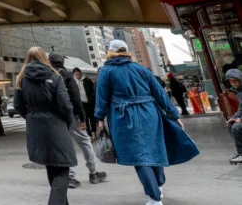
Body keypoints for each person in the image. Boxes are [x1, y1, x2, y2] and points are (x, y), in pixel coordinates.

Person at [95, 40, 195, 205]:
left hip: (124, 116)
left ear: (110, 52)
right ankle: (159, 187)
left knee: (139, 156)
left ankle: (154, 198)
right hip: (150, 113)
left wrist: (99, 118)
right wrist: (173, 114)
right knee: (154, 150)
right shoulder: (141, 69)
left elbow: (102, 97)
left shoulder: (106, 71)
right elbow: (160, 93)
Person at [14, 47, 76, 205]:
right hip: (56, 123)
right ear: (44, 57)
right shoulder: (55, 76)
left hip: (35, 126)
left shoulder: (21, 78)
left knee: (51, 165)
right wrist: (68, 121)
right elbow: (65, 105)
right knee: (62, 168)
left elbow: (18, 105)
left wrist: (31, 116)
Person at [50, 54, 107, 187]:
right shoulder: (67, 76)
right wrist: (82, 117)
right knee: (85, 142)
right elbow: (76, 97)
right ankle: (93, 173)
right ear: (62, 62)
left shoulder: (48, 76)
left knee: (64, 145)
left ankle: (69, 176)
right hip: (72, 115)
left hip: (56, 118)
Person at [73, 67, 97, 136]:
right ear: (73, 74)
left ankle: (94, 132)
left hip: (89, 102)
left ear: (80, 73)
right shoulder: (73, 82)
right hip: (81, 104)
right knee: (84, 119)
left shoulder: (87, 80)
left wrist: (91, 99)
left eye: (78, 72)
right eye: (75, 72)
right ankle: (89, 134)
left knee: (92, 118)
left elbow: (93, 90)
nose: (77, 73)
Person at [226, 69, 242, 165]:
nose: (233, 83)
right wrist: (234, 118)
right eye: (231, 81)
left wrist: (240, 119)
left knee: (237, 127)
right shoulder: (239, 92)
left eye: (235, 81)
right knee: (231, 124)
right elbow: (241, 109)